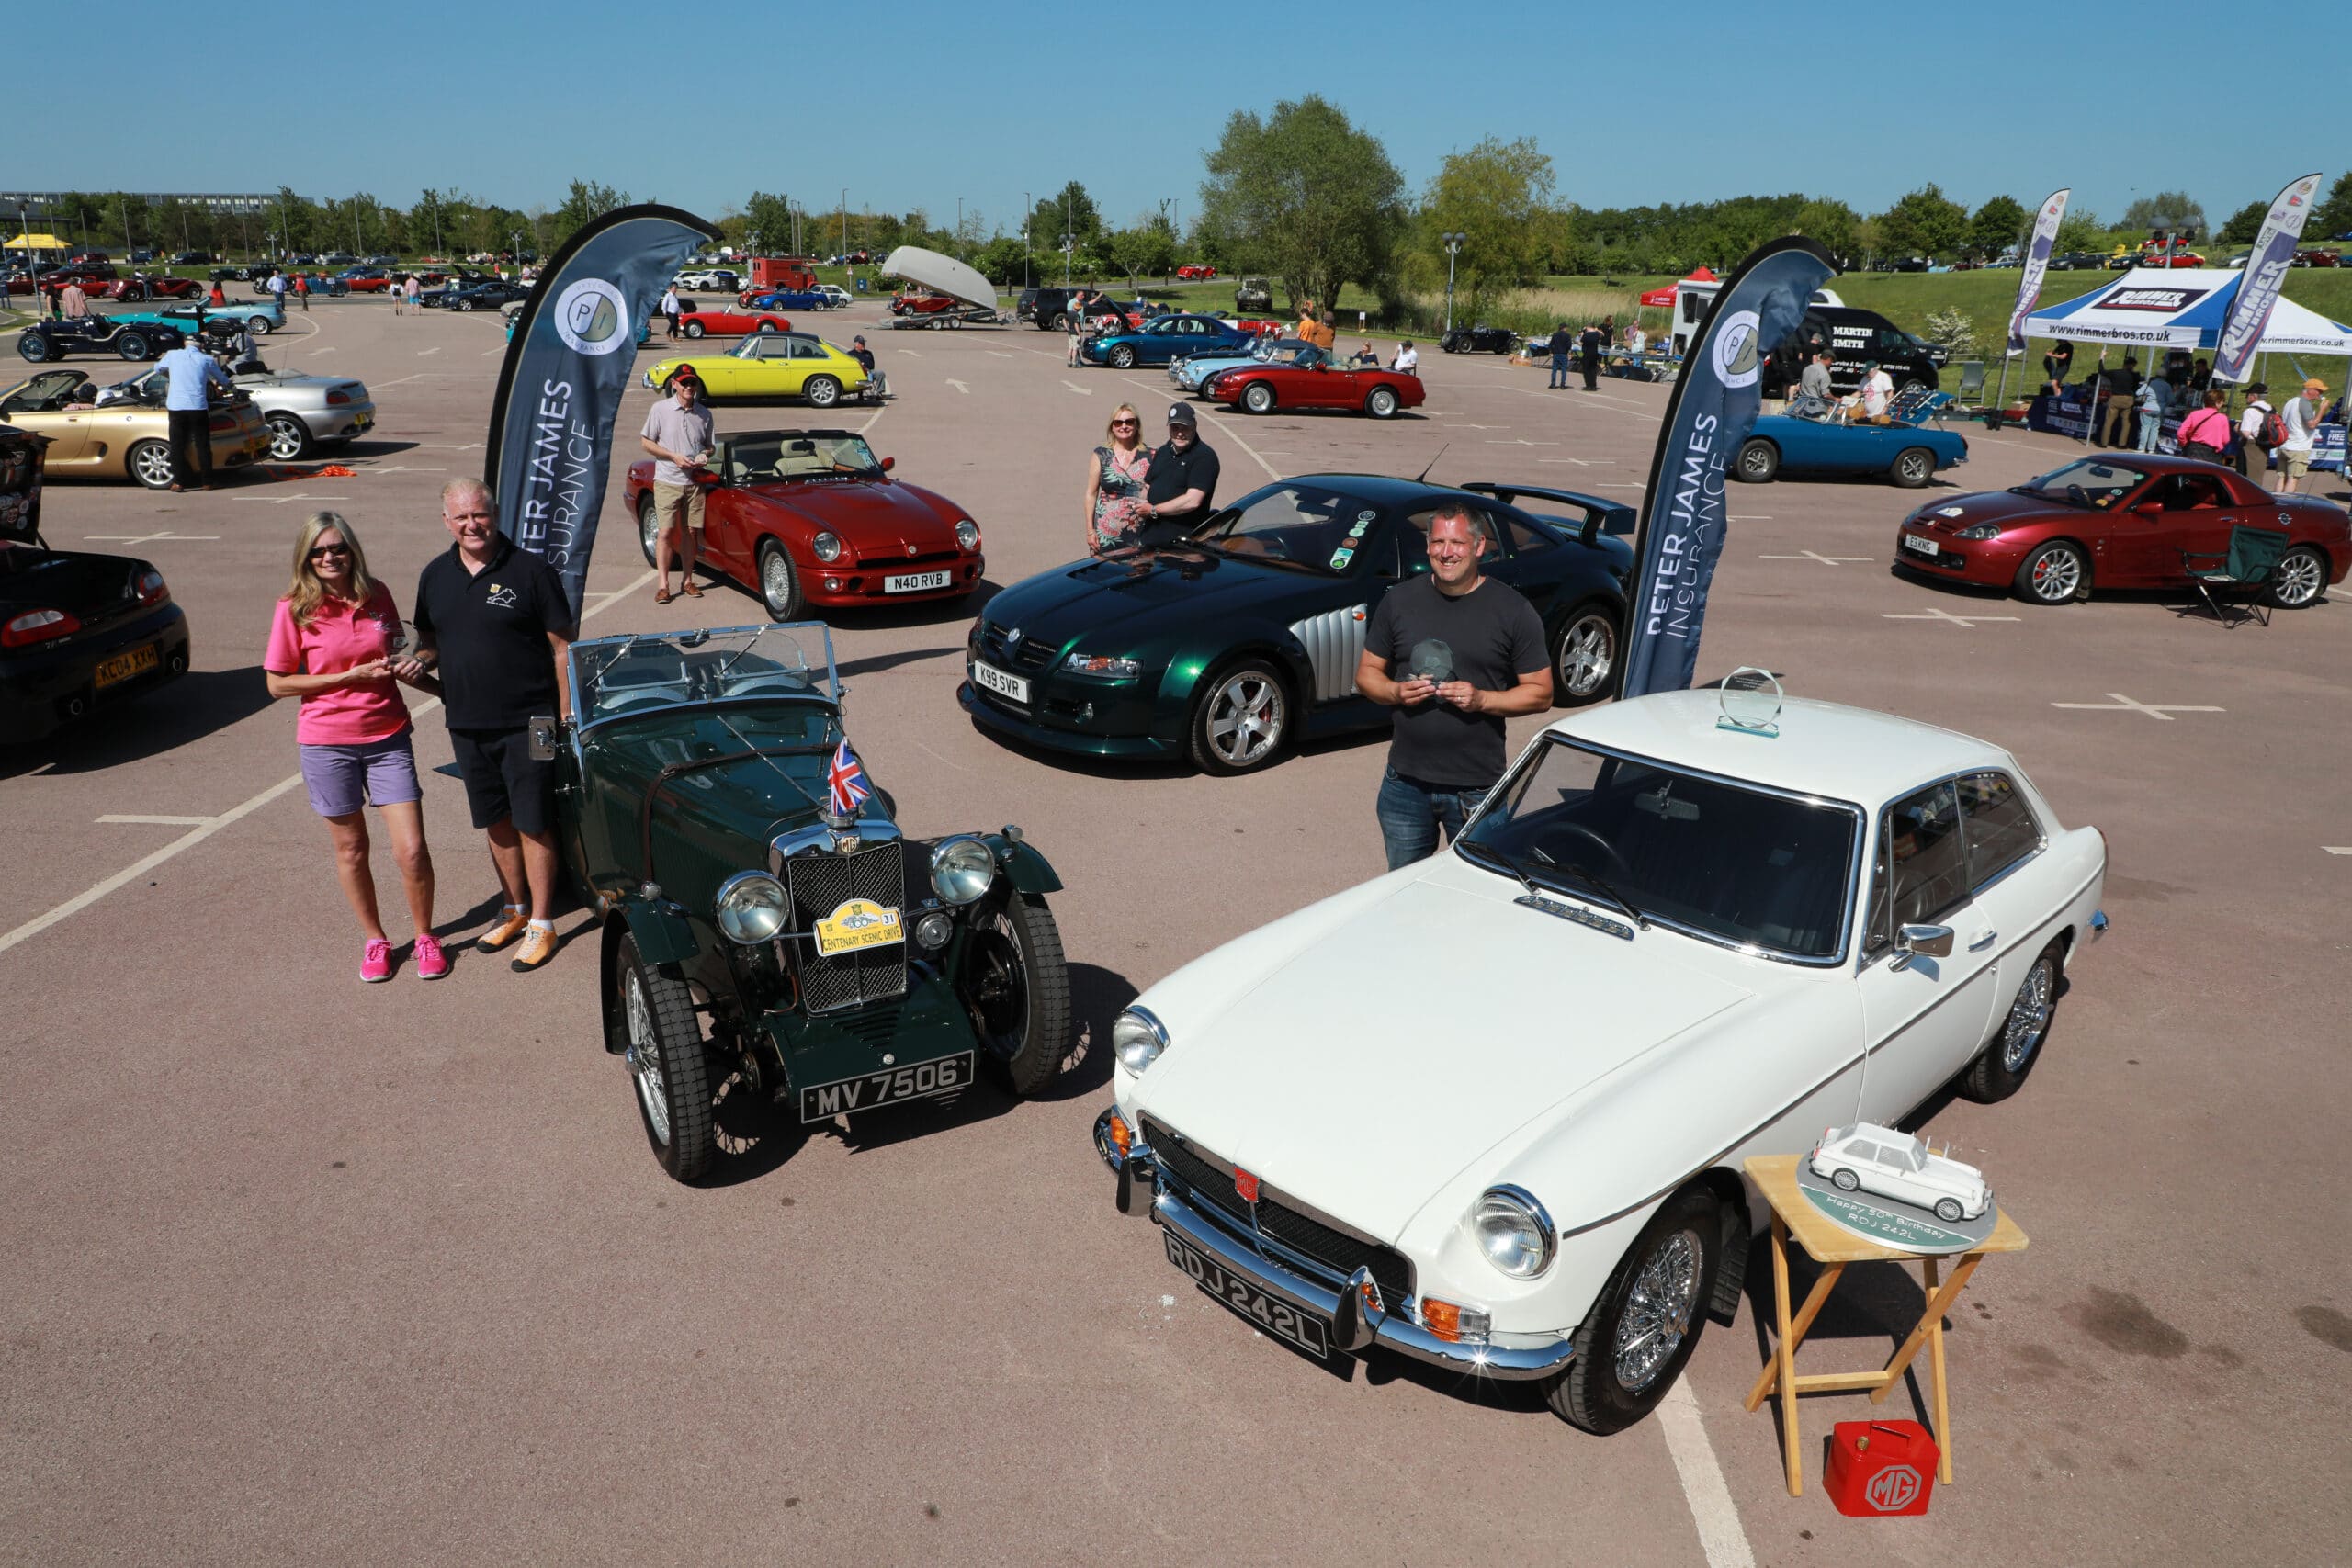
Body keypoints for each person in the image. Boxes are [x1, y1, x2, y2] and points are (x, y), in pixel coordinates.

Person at [264, 513, 444, 984]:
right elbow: (278, 684)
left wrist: (428, 678)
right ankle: (375, 940)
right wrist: (345, 677)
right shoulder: (294, 607)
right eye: (319, 551)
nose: (329, 557)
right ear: (306, 558)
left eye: (337, 547)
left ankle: (425, 935)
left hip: (387, 736)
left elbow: (398, 651)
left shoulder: (376, 593)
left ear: (352, 550)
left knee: (411, 850)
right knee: (352, 849)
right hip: (326, 743)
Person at [406, 478, 575, 974]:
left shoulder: (531, 571)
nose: (471, 525)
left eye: (478, 515)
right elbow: (431, 642)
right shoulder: (435, 576)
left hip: (535, 721)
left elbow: (563, 647)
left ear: (495, 515)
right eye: (460, 517)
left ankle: (544, 923)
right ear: (446, 522)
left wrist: (563, 715)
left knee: (535, 819)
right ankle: (515, 909)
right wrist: (417, 662)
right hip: (466, 723)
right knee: (494, 819)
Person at [1354, 506, 1552, 870]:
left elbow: (1541, 692)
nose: (1447, 552)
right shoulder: (1399, 601)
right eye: (1439, 541)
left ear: (1479, 547)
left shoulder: (1513, 611)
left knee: (1476, 894)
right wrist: (1395, 692)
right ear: (1428, 546)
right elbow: (1367, 674)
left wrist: (1481, 700)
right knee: (1404, 890)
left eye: (1458, 542)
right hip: (1404, 786)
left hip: (1476, 790)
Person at [639, 371, 716, 604]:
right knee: (665, 532)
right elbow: (646, 443)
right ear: (674, 385)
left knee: (691, 532)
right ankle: (663, 585)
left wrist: (704, 455)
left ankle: (688, 581)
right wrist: (673, 456)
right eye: (684, 383)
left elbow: (710, 446)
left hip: (694, 484)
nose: (689, 387)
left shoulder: (704, 413)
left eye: (692, 383)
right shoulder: (660, 409)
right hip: (667, 481)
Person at [156, 332, 231, 491]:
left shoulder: (172, 355)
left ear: (185, 343)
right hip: (197, 407)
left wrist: (172, 374)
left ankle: (178, 482)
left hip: (176, 407)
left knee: (177, 445)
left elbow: (157, 368)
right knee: (202, 445)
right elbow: (223, 380)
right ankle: (207, 482)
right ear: (202, 345)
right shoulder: (206, 359)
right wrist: (226, 386)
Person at [1137, 402, 1219, 543]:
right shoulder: (1163, 451)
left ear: (1195, 425)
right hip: (1150, 539)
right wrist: (1140, 503)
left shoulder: (1204, 457)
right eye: (1175, 428)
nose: (1180, 433)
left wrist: (1153, 510)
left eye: (1185, 428)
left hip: (1182, 545)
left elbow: (1192, 501)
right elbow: (1148, 485)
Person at [1082, 403, 1152, 554]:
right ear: (1112, 427)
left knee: (1138, 575)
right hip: (1106, 535)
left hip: (1139, 532)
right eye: (1118, 422)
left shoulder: (1151, 455)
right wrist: (1090, 530)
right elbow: (1091, 493)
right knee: (1104, 574)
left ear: (1137, 425)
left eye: (1129, 422)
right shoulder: (1101, 455)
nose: (1124, 426)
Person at [2278, 378, 2326, 494]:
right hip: (2298, 447)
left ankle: (2277, 502)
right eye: (2319, 391)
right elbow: (2312, 425)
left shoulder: (2291, 401)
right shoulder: (2304, 403)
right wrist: (2322, 410)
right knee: (2293, 478)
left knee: (2281, 478)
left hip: (2285, 445)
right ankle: (2287, 505)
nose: (2320, 394)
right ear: (2311, 390)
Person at [2175, 389, 2233, 464]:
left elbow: (2180, 433)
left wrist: (2184, 444)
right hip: (2212, 453)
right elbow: (2226, 439)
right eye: (2222, 401)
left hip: (2193, 450)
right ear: (2217, 402)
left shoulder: (2194, 414)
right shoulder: (2223, 418)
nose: (2223, 403)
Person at [2098, 355, 2140, 446]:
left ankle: (2104, 443)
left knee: (2108, 421)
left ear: (2124, 364)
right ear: (2133, 365)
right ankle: (2122, 444)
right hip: (2128, 399)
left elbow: (2101, 371)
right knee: (2126, 423)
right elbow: (2135, 388)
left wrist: (2101, 358)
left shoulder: (2115, 372)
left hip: (2115, 398)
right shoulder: (2135, 375)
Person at [2237, 383, 2276, 483]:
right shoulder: (2272, 409)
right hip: (2265, 445)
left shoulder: (2250, 411)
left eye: (2247, 395)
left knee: (2245, 479)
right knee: (2258, 476)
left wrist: (2237, 429)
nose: (2246, 397)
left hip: (2250, 446)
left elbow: (2246, 433)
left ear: (2254, 396)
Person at [2135, 366, 2172, 454]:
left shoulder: (2150, 383)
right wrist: (2164, 404)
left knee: (2145, 428)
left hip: (2147, 408)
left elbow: (2138, 393)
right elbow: (2171, 400)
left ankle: (2141, 448)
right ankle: (2151, 449)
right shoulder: (2167, 385)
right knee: (2155, 429)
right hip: (2159, 409)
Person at [1792, 346, 1837, 420]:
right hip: (1817, 410)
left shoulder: (1807, 368)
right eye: (1831, 362)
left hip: (1803, 407)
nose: (1831, 364)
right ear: (1829, 359)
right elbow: (1826, 394)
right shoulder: (1824, 374)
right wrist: (1835, 399)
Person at [846, 333, 888, 400]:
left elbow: (872, 365)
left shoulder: (868, 353)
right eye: (861, 343)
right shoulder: (850, 354)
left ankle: (879, 393)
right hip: (857, 373)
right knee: (859, 375)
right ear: (856, 345)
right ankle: (860, 394)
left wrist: (865, 367)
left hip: (869, 371)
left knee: (880, 373)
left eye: (863, 343)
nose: (863, 345)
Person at [1578, 320, 1603, 390]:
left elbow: (1580, 343)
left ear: (1588, 327)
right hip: (1594, 354)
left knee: (1586, 370)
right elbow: (1602, 334)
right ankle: (1593, 386)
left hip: (1587, 354)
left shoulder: (1586, 335)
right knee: (1593, 370)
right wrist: (1597, 330)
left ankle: (1588, 385)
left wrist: (1583, 333)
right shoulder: (1597, 334)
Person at [1547, 322, 1571, 389]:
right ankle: (1562, 385)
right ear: (1564, 328)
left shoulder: (1555, 334)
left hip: (1556, 354)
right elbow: (1569, 346)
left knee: (1554, 370)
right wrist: (1569, 352)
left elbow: (1551, 344)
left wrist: (1551, 352)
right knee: (1563, 370)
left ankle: (1553, 384)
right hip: (1564, 354)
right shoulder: (1568, 335)